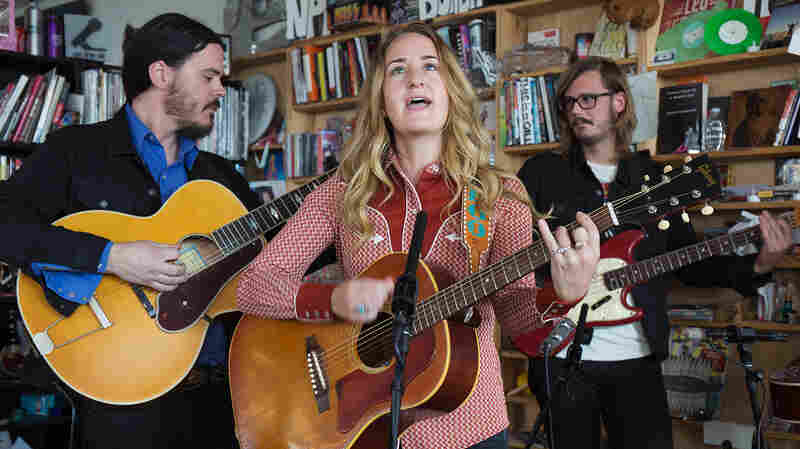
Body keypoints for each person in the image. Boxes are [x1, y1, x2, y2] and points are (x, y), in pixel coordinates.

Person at [236, 23, 600, 449]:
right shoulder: (340, 193)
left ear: (450, 90)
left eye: (430, 66)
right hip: (359, 426)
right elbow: (254, 287)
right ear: (381, 101)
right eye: (397, 70)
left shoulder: (499, 195)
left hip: (469, 428)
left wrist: (566, 295)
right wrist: (332, 300)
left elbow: (520, 322)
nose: (415, 79)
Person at [0, 13, 265, 449]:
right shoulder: (76, 153)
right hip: (120, 403)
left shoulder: (222, 177)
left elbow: (283, 251)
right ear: (161, 73)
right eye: (209, 76)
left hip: (221, 398)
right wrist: (114, 257)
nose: (221, 90)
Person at [516, 56, 793, 449]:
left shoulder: (655, 181)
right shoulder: (541, 172)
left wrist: (761, 262)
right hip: (561, 355)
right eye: (569, 103)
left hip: (636, 356)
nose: (577, 110)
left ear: (619, 102)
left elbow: (690, 260)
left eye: (588, 100)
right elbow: (512, 251)